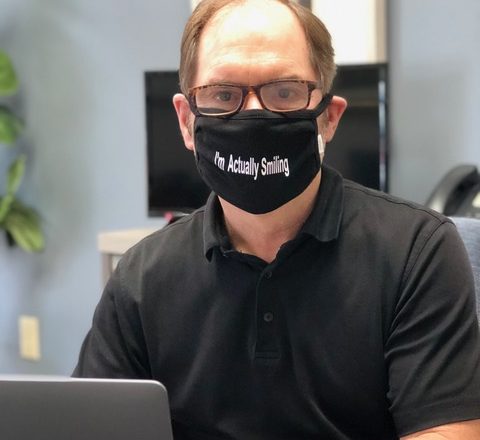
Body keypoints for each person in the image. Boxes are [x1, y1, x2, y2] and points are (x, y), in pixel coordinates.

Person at [73, 0, 480, 438]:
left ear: (329, 116)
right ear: (187, 121)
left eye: (284, 91)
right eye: (223, 94)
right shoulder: (139, 278)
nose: (252, 114)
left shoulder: (417, 253)